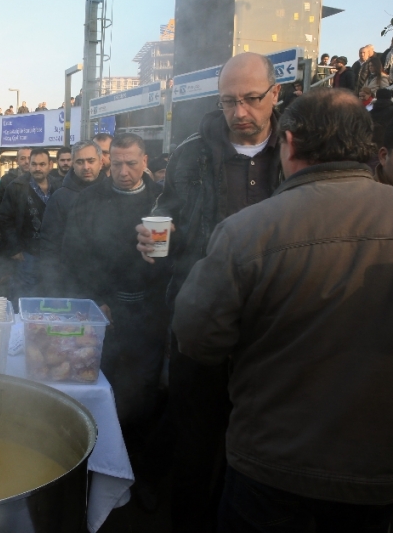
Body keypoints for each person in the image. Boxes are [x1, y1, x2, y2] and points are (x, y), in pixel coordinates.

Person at [172, 88, 393, 532]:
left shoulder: (246, 230)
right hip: (373, 467)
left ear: (289, 144)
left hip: (270, 464)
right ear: (370, 148)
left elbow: (197, 337)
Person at [136, 52, 282, 533]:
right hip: (200, 312)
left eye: (251, 99)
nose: (240, 112)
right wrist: (153, 238)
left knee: (260, 440)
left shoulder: (296, 147)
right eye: (228, 101)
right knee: (195, 439)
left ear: (274, 95)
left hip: (275, 323)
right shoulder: (191, 152)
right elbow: (166, 212)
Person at [64, 133, 170, 510]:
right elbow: (73, 255)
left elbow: (181, 252)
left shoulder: (162, 198)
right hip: (103, 312)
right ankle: (95, 470)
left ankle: (136, 479)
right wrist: (97, 300)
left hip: (149, 312)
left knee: (142, 395)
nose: (123, 172)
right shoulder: (89, 200)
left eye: (131, 163)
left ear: (145, 161)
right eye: (118, 164)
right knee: (101, 389)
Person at [0, 148, 60, 306]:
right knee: (26, 293)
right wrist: (14, 248)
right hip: (27, 252)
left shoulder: (59, 187)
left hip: (52, 253)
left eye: (42, 164)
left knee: (51, 290)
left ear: (50, 165)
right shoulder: (16, 187)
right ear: (29, 165)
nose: (38, 168)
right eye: (34, 164)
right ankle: (23, 326)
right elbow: (4, 219)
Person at [40, 140, 104, 297]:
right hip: (70, 286)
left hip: (107, 286)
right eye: (80, 162)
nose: (86, 167)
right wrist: (53, 288)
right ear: (73, 165)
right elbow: (49, 247)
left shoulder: (112, 194)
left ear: (101, 163)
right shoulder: (60, 198)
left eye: (91, 161)